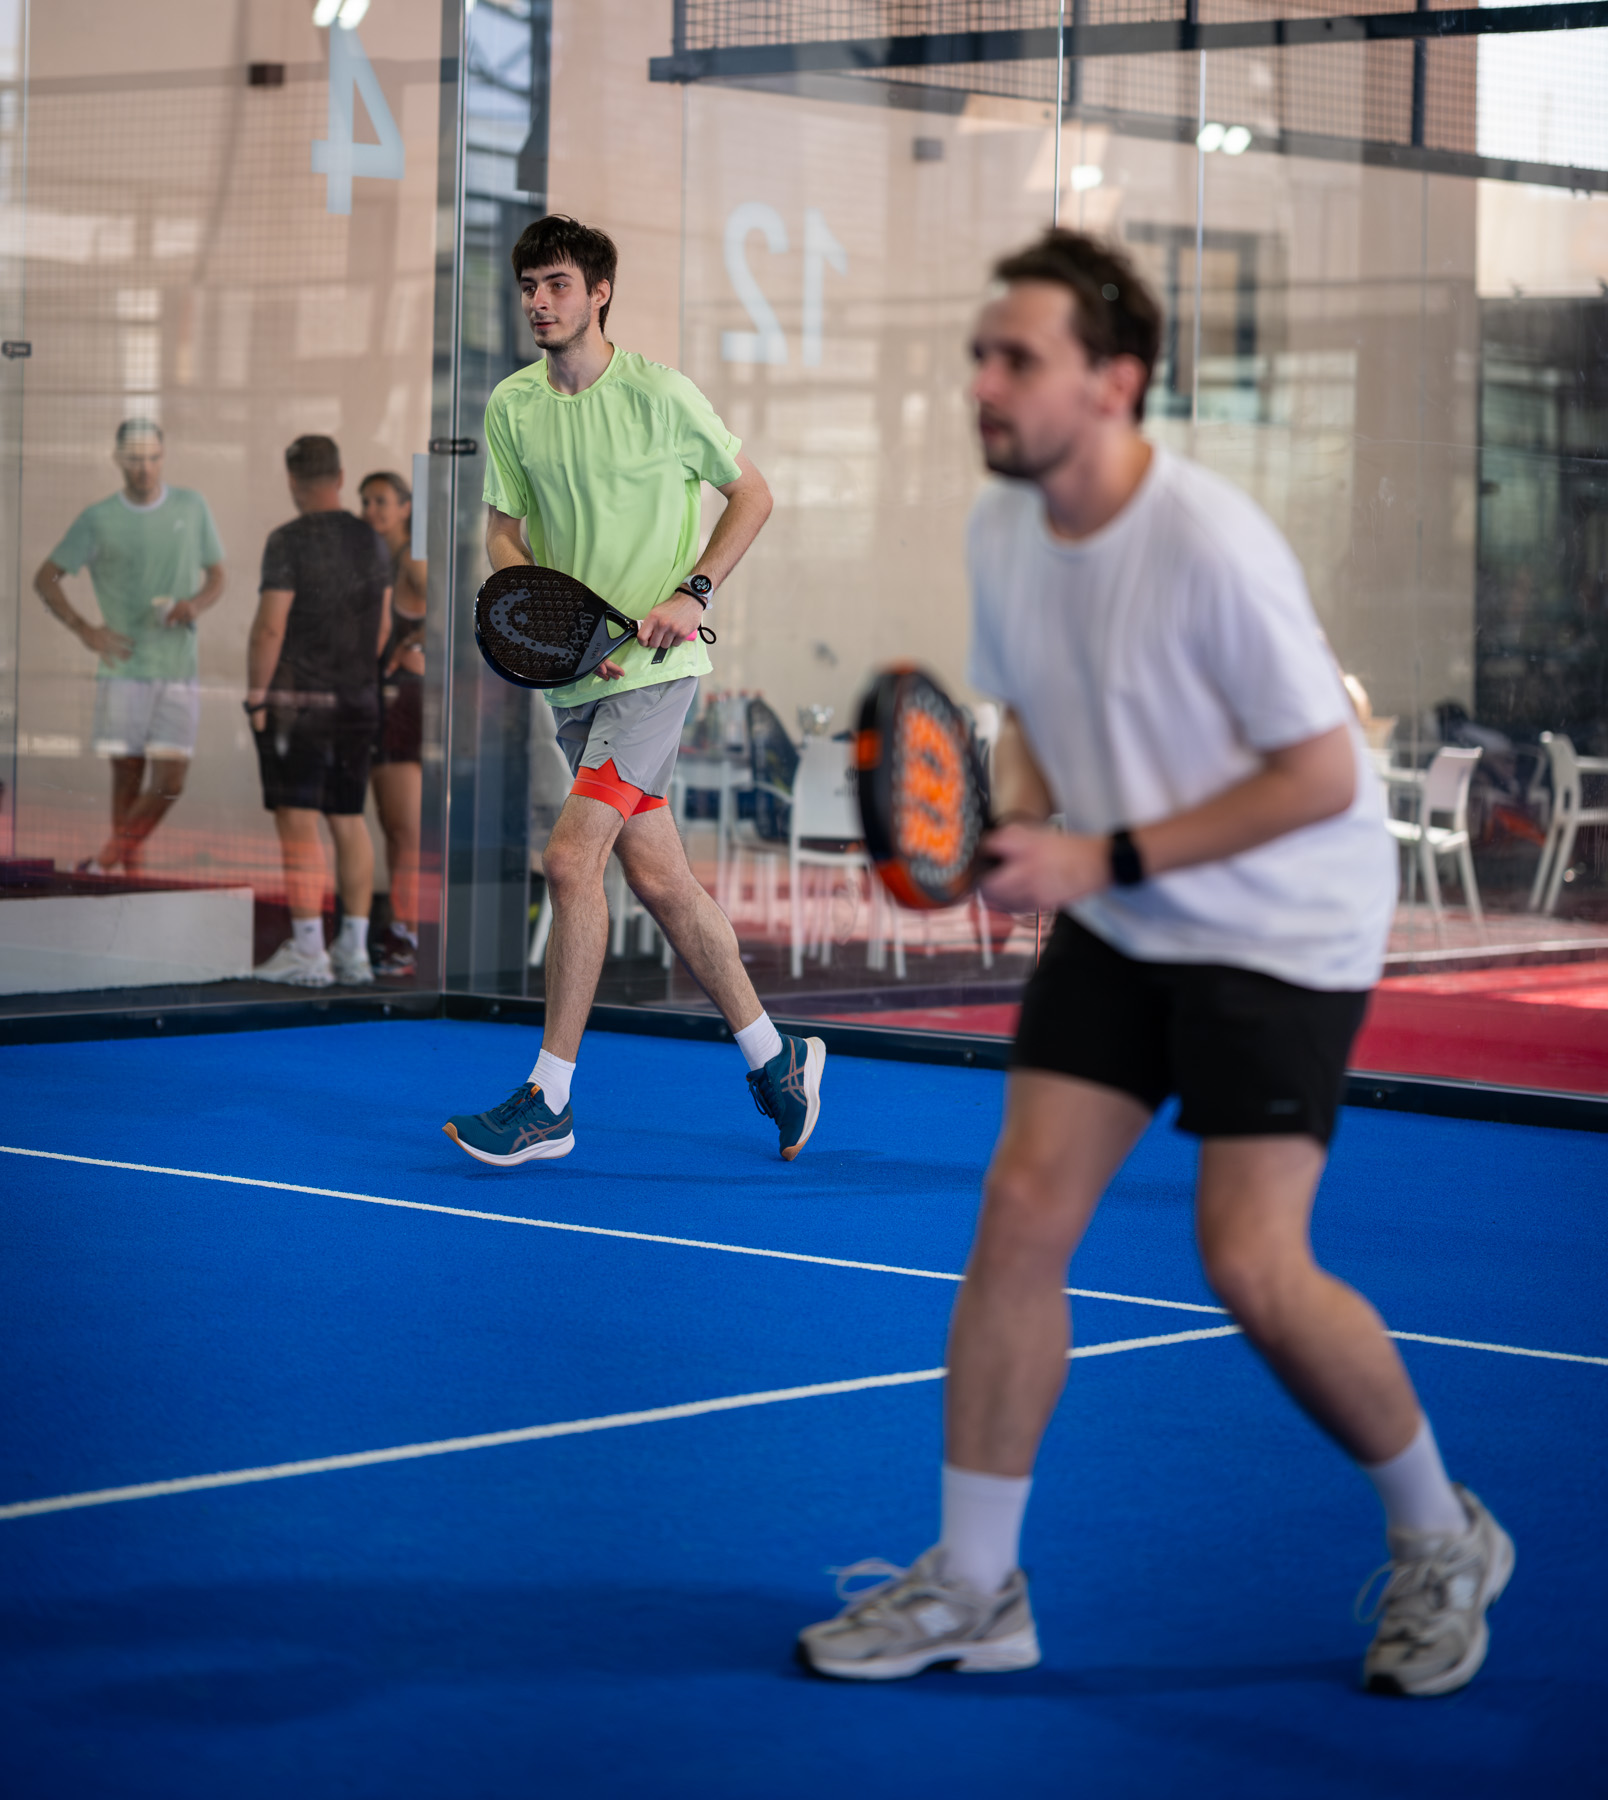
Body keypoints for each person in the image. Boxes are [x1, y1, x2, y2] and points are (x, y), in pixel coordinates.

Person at [798, 231, 1512, 1699]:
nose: (983, 382)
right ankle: (978, 1590)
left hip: (1283, 924)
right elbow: (1031, 716)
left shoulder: (1209, 544)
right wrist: (1024, 828)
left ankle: (1444, 1538)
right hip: (1124, 913)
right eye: (980, 355)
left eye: (1019, 359)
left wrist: (1100, 859)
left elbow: (1324, 773)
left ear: (1114, 383)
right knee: (1019, 1210)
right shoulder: (1006, 526)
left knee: (1250, 1264)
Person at [442, 214, 825, 1167]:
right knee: (657, 877)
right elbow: (503, 532)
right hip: (576, 681)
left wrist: (692, 593)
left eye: (558, 284)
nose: (540, 301)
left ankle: (551, 1099)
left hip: (657, 674)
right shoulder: (513, 405)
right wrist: (544, 617)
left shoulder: (662, 395)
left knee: (572, 863)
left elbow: (754, 495)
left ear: (599, 292)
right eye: (530, 285)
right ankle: (778, 1062)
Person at [34, 419, 225, 876]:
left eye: (153, 458)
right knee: (127, 779)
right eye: (136, 459)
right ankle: (127, 878)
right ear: (119, 459)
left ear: (164, 456)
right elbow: (47, 578)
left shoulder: (191, 505)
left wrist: (194, 605)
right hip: (122, 670)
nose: (145, 468)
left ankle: (104, 863)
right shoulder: (98, 518)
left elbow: (217, 576)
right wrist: (85, 629)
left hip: (177, 667)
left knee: (170, 782)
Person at [247, 435, 392, 988]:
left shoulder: (288, 540)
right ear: (339, 475)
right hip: (358, 699)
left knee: (298, 821)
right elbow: (380, 629)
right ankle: (353, 951)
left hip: (298, 701)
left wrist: (258, 697)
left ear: (292, 480)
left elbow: (269, 627)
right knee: (349, 820)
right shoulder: (371, 541)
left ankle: (309, 951)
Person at [360, 470, 427, 979]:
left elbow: (450, 613)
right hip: (380, 702)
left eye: (381, 501)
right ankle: (401, 924)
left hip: (405, 704)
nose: (371, 510)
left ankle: (407, 932)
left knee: (405, 831)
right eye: (365, 501)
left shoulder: (412, 559)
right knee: (390, 827)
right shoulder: (376, 559)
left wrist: (411, 649)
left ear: (406, 507)